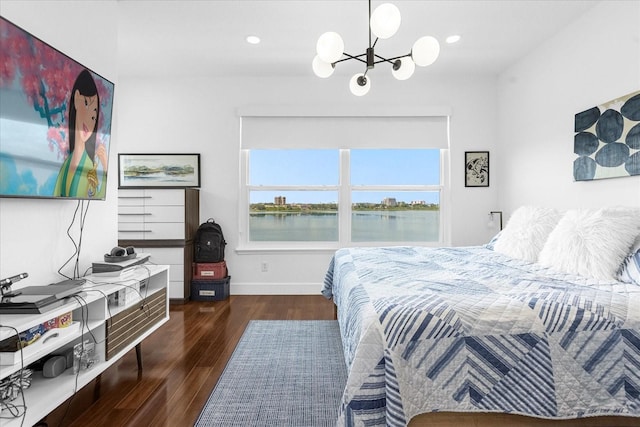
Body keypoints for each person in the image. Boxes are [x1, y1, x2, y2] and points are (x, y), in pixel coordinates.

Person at [53, 69, 107, 198]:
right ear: (77, 99)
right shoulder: (66, 163)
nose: (89, 120)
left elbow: (97, 197)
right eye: (87, 104)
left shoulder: (89, 167)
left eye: (93, 117)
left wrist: (105, 168)